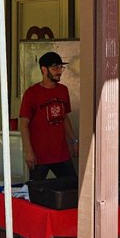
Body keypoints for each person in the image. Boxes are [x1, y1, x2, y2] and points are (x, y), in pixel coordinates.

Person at [19, 51, 78, 180]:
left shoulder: (63, 90)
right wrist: (28, 151)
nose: (59, 71)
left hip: (61, 153)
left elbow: (64, 117)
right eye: (55, 68)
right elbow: (23, 124)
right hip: (39, 155)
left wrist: (74, 140)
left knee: (71, 185)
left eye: (61, 67)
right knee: (36, 188)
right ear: (44, 69)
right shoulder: (31, 93)